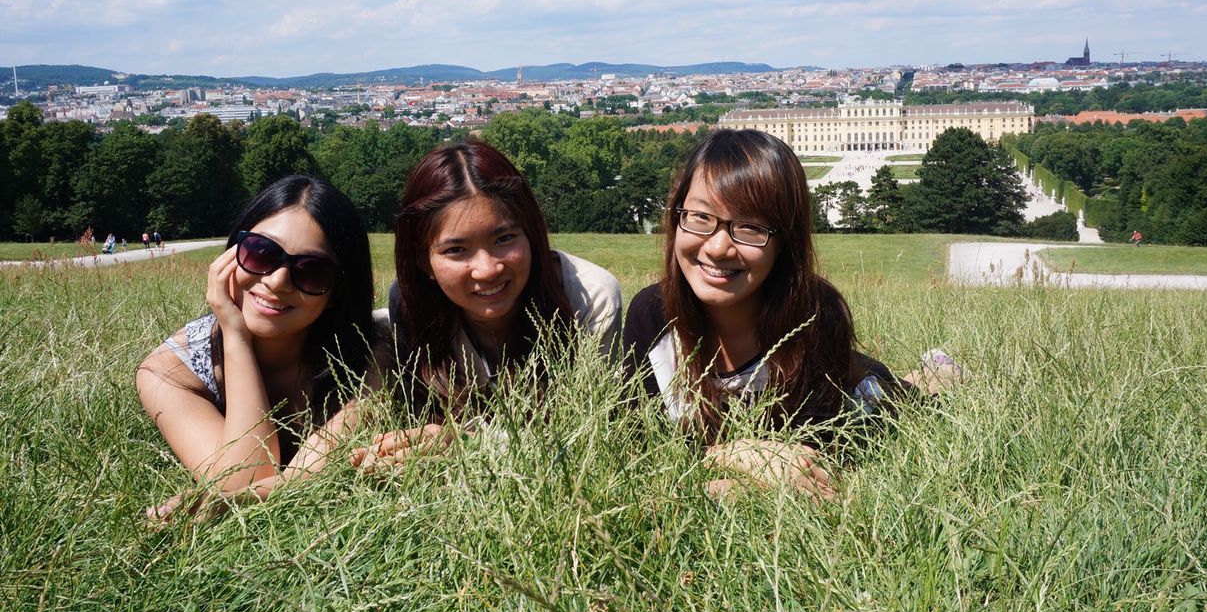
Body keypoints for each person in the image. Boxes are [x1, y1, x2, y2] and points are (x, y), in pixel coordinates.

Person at [622, 129, 958, 500]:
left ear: (785, 241)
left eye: (749, 226)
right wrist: (740, 455)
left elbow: (815, 467)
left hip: (855, 391)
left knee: (907, 398)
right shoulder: (651, 317)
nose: (717, 247)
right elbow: (641, 452)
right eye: (700, 217)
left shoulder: (816, 317)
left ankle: (938, 371)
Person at [351, 139, 621, 469]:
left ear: (531, 234)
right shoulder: (410, 307)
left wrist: (461, 444)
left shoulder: (589, 298)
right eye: (456, 250)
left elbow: (587, 440)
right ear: (424, 262)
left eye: (504, 239)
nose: (487, 269)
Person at [136, 175, 376, 520]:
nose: (277, 281)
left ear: (338, 290)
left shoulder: (367, 354)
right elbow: (245, 478)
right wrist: (236, 338)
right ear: (232, 253)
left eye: (312, 271)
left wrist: (231, 500)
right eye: (261, 253)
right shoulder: (169, 371)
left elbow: (253, 488)